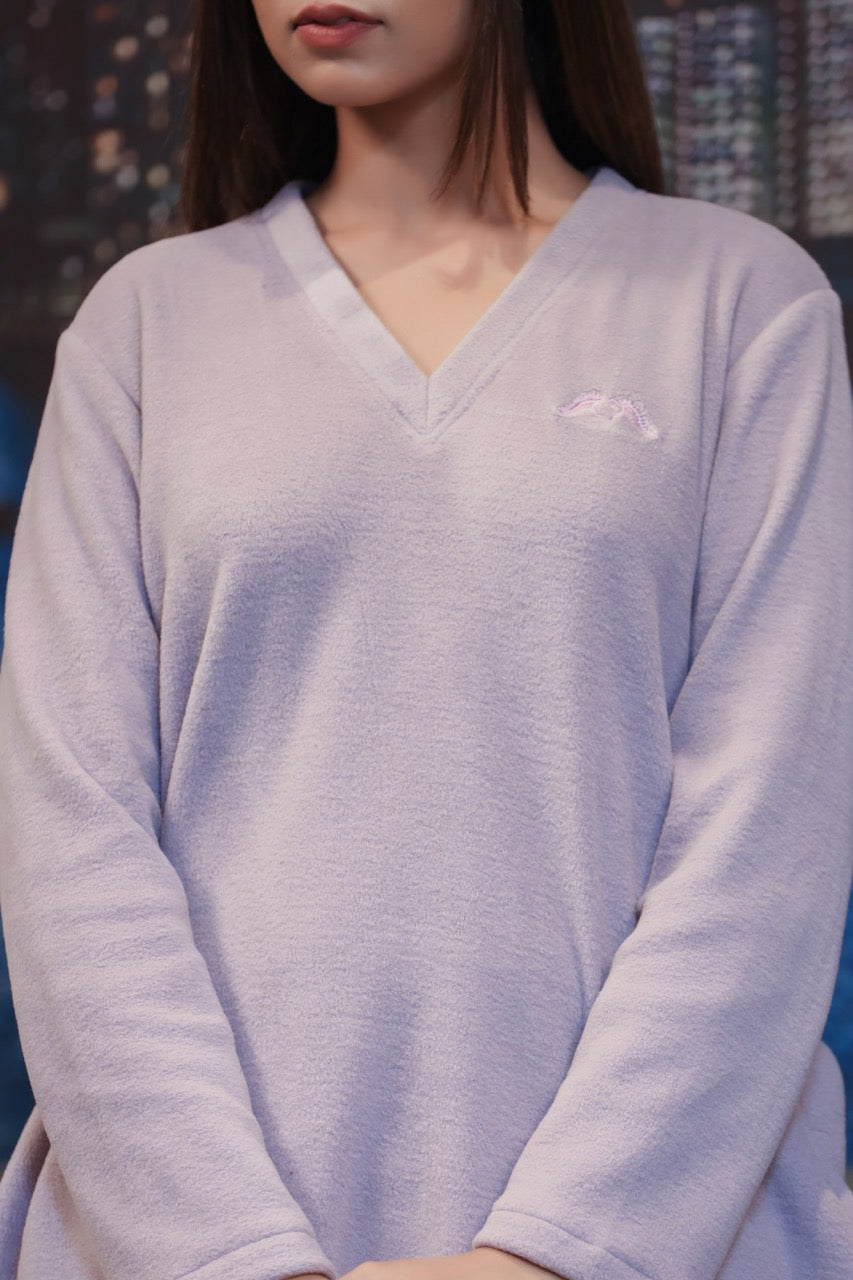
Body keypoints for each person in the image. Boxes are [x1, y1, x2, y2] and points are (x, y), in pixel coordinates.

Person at [0, 1, 851, 1277]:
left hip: (666, 1242)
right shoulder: (143, 325)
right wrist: (225, 1252)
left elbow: (766, 840)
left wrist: (553, 1254)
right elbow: (72, 838)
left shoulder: (739, 303)